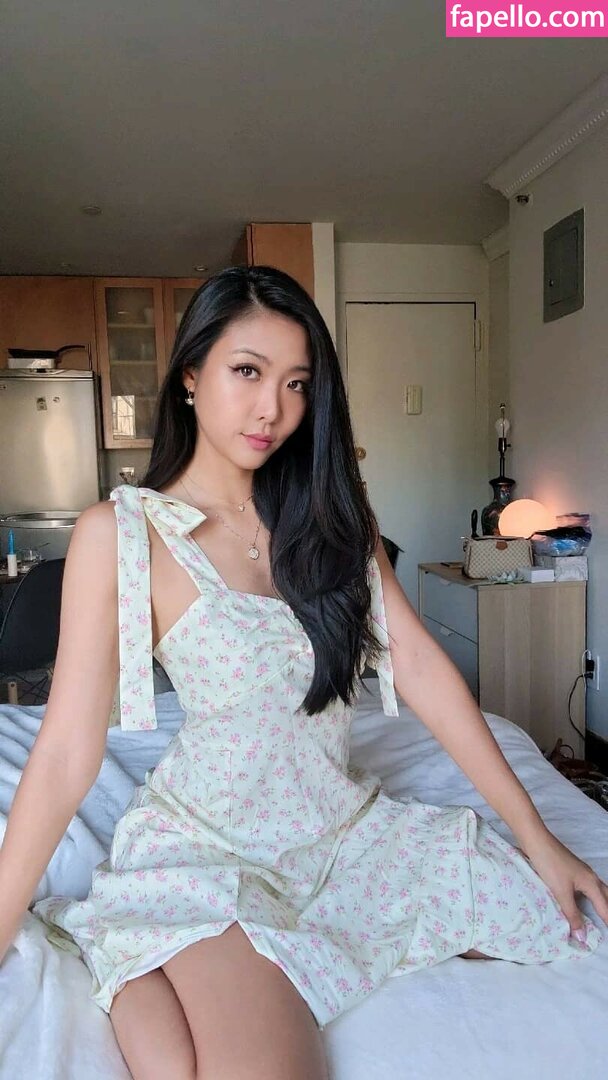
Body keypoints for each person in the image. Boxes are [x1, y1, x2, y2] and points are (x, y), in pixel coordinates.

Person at [0, 265, 606, 1080]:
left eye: (296, 383)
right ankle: (141, 938)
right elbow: (68, 749)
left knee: (547, 917)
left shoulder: (331, 519)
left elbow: (422, 670)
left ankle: (143, 957)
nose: (273, 409)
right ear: (190, 375)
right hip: (212, 850)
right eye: (247, 371)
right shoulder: (124, 532)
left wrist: (539, 840)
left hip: (343, 834)